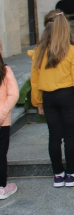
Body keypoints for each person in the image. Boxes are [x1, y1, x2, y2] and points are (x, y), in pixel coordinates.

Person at [29, 10, 74, 187]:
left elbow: (35, 79)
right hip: (67, 96)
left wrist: (38, 101)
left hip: (48, 97)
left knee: (54, 136)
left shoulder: (39, 51)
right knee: (70, 135)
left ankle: (58, 174)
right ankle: (71, 174)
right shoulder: (71, 51)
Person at [0, 40, 19, 199]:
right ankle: (1, 186)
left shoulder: (4, 71)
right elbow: (13, 94)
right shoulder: (5, 70)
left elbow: (13, 94)